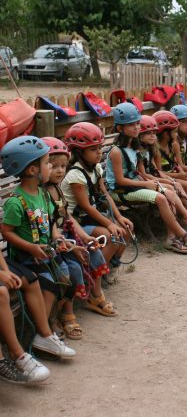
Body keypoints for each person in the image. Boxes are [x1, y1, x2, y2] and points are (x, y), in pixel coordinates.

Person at [0, 136, 76, 358]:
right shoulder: (17, 201)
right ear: (33, 170)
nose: (50, 166)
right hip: (25, 258)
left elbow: (50, 223)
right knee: (50, 284)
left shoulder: (43, 194)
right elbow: (6, 231)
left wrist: (57, 238)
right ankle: (41, 334)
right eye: (47, 163)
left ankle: (46, 329)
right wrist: (31, 248)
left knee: (64, 275)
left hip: (44, 253)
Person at [105, 102, 187, 254]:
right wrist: (147, 183)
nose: (137, 127)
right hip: (121, 191)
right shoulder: (117, 151)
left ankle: (175, 234)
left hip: (135, 185)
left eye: (137, 124)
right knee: (161, 198)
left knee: (169, 190)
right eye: (132, 125)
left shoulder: (133, 147)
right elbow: (120, 181)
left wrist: (151, 182)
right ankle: (182, 234)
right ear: (120, 128)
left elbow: (139, 172)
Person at [61, 122, 133, 313]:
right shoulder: (76, 174)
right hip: (77, 222)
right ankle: (93, 285)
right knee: (108, 236)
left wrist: (118, 217)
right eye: (93, 149)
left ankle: (107, 270)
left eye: (100, 148)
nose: (99, 152)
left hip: (92, 217)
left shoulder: (96, 168)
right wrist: (109, 224)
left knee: (126, 229)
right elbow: (84, 206)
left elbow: (105, 194)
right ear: (78, 152)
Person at [43, 136, 113, 333]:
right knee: (72, 267)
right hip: (53, 242)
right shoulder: (43, 195)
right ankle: (66, 312)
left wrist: (84, 236)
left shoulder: (57, 188)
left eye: (63, 165)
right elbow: (49, 229)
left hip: (66, 237)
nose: (59, 170)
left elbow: (67, 217)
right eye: (52, 165)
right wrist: (73, 246)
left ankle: (96, 296)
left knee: (94, 250)